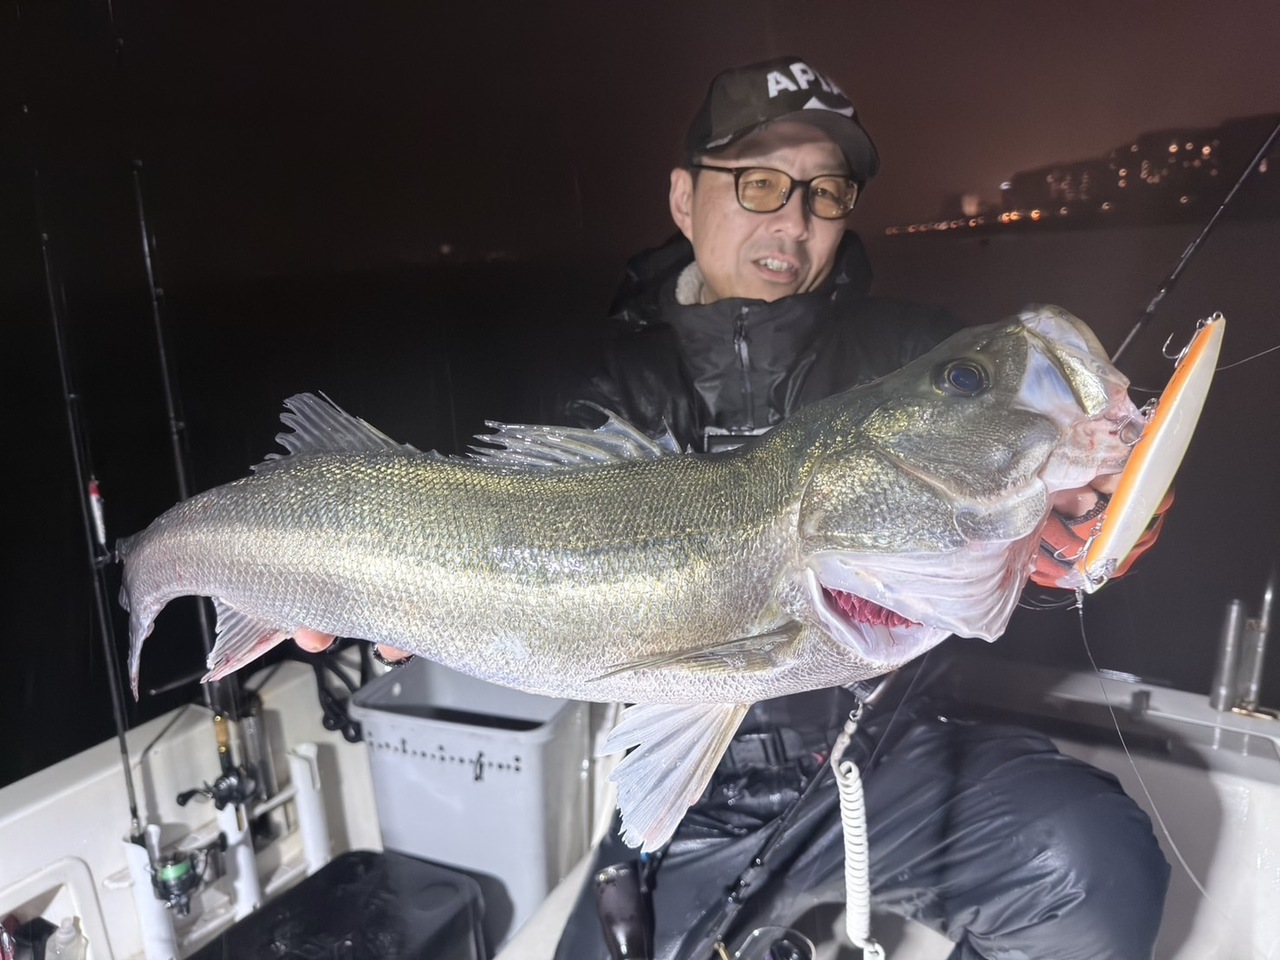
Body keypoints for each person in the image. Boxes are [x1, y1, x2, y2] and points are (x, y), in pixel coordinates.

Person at [297, 55, 1171, 959]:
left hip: (891, 752)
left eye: (826, 192)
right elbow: (522, 563)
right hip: (698, 795)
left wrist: (1104, 519)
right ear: (683, 199)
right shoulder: (602, 389)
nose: (793, 221)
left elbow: (1036, 533)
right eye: (759, 183)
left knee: (1093, 871)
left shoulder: (913, 352)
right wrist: (394, 580)